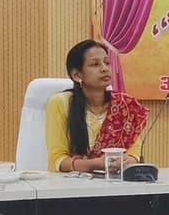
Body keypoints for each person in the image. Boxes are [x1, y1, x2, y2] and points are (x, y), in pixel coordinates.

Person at [46, 40, 149, 172]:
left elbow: (134, 153)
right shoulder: (60, 103)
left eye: (107, 62)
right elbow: (57, 160)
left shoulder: (126, 105)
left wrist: (130, 160)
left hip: (117, 179)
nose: (104, 68)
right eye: (95, 64)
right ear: (77, 75)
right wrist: (93, 164)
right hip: (74, 181)